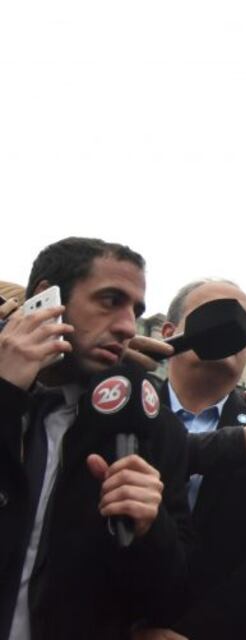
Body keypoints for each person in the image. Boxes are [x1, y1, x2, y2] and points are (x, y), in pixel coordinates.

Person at [0, 237, 190, 639]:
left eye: (135, 310)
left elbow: (168, 602)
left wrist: (150, 531)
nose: (126, 326)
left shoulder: (149, 424)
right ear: (46, 298)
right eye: (110, 300)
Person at [149, 279, 246, 640]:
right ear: (170, 332)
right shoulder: (125, 410)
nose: (231, 328)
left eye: (244, 325)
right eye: (216, 314)